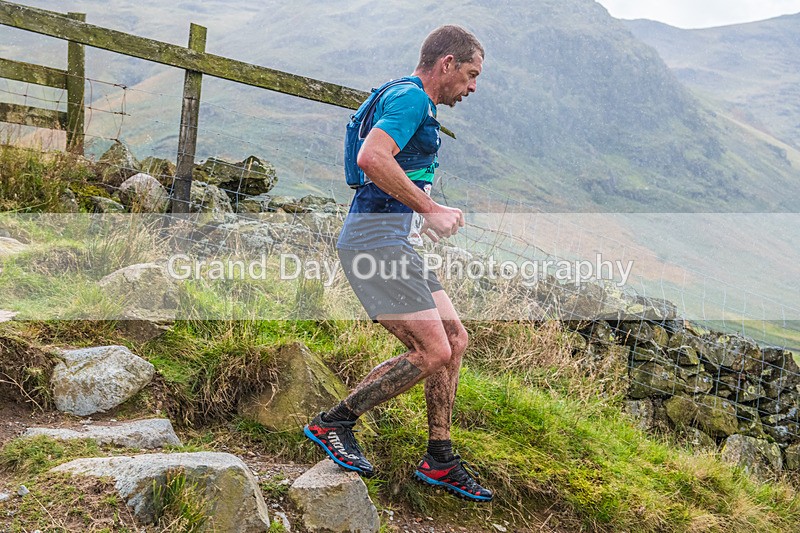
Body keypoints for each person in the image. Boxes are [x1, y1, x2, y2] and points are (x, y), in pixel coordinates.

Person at [304, 24, 492, 502]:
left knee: (454, 338)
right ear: (446, 63)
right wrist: (429, 209)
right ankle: (335, 422)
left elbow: (389, 170)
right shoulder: (411, 99)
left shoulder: (408, 99)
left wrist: (417, 212)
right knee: (433, 352)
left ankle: (441, 458)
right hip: (374, 244)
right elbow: (372, 157)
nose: (472, 87)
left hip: (393, 240)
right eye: (470, 75)